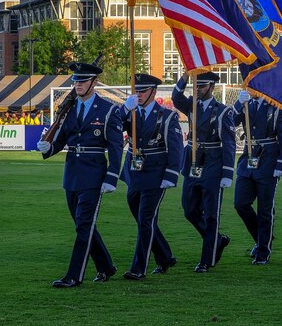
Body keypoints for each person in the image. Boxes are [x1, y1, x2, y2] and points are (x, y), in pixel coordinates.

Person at [37, 62, 123, 288]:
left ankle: (74, 275)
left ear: (94, 83)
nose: (78, 85)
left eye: (83, 81)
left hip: (94, 174)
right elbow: (63, 138)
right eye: (75, 81)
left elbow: (115, 146)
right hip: (72, 174)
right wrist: (49, 148)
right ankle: (106, 266)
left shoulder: (108, 110)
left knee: (84, 224)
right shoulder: (70, 108)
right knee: (82, 225)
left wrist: (112, 176)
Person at [120, 74, 183, 280]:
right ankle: (165, 256)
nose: (138, 95)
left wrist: (171, 175)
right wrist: (124, 110)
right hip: (134, 173)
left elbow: (175, 148)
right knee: (142, 219)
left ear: (153, 92)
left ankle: (139, 268)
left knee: (146, 219)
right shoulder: (130, 112)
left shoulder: (167, 116)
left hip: (155, 174)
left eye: (143, 91)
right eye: (136, 90)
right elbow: (113, 126)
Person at [172, 72, 235, 273]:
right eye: (195, 86)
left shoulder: (223, 112)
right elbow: (175, 97)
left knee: (210, 215)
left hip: (213, 164)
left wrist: (227, 173)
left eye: (201, 86)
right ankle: (217, 239)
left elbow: (229, 144)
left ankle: (207, 260)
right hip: (192, 162)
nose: (197, 89)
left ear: (212, 88)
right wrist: (184, 76)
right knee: (189, 210)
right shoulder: (191, 105)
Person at [232, 90, 282, 265]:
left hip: (268, 160)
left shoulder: (276, 106)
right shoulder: (246, 104)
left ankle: (263, 250)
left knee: (265, 209)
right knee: (240, 203)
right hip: (248, 160)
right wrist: (237, 104)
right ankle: (261, 239)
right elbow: (230, 122)